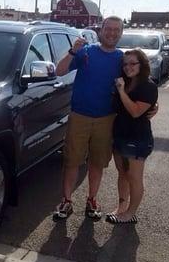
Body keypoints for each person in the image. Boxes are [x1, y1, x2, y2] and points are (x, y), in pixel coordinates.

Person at [53, 16, 125, 220]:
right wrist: (72, 51)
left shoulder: (122, 58)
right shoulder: (85, 52)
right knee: (72, 161)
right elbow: (60, 70)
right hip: (80, 116)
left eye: (116, 30)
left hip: (106, 118)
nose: (112, 33)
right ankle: (66, 201)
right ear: (101, 30)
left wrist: (151, 104)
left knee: (97, 162)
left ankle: (92, 200)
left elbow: (139, 82)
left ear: (121, 33)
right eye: (108, 29)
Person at [106, 48, 158, 224]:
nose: (128, 67)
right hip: (119, 136)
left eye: (133, 63)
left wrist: (121, 92)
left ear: (142, 64)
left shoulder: (148, 86)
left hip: (137, 139)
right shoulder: (125, 82)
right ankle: (121, 207)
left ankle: (131, 213)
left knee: (134, 177)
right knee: (122, 173)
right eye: (125, 64)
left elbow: (135, 112)